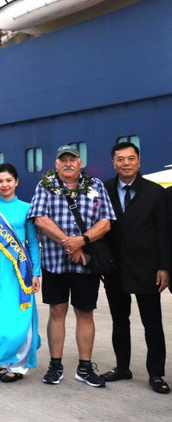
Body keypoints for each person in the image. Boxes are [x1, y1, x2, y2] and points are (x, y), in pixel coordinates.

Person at [27, 144, 115, 388]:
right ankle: (56, 365)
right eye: (63, 159)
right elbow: (40, 219)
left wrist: (82, 241)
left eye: (72, 159)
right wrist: (69, 243)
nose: (67, 163)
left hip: (86, 264)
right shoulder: (45, 185)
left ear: (80, 163)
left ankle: (84, 367)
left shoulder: (96, 186)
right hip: (54, 263)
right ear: (56, 164)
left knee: (85, 313)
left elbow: (106, 221)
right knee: (57, 311)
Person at [101, 142, 169, 393]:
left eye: (131, 158)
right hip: (114, 267)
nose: (126, 163)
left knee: (152, 323)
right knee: (120, 321)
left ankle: (156, 374)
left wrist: (164, 267)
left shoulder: (154, 192)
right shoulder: (104, 190)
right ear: (113, 163)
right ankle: (122, 367)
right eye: (120, 159)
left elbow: (163, 232)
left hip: (147, 268)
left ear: (139, 162)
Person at [0, 163, 41, 382]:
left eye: (8, 180)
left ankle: (19, 366)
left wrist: (36, 272)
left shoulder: (26, 208)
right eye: (0, 181)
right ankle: (5, 362)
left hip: (20, 272)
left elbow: (32, 243)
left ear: (17, 182)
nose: (4, 185)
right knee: (0, 317)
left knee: (21, 318)